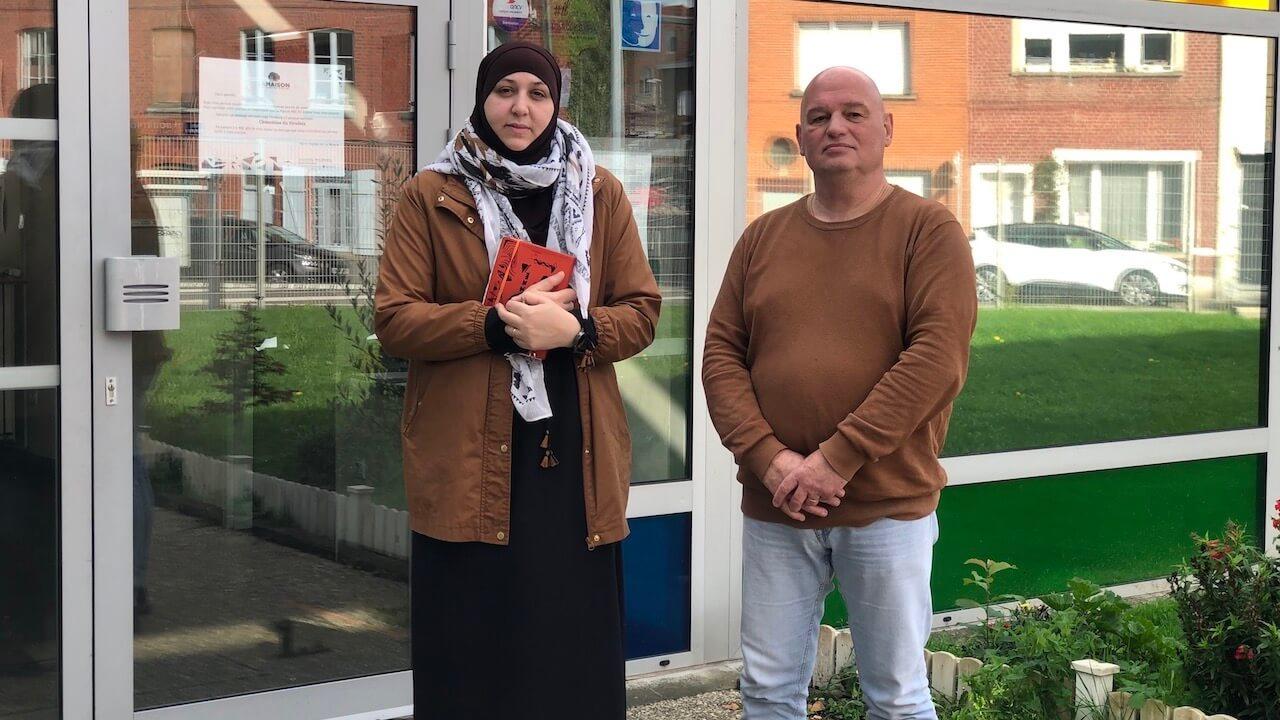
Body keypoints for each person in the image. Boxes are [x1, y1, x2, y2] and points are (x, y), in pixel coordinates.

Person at [374, 42, 660, 720]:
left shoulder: (599, 191)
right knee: (470, 648)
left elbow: (642, 311)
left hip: (574, 453)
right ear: (482, 99)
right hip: (467, 455)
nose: (521, 106)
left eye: (537, 91)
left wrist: (581, 333)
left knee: (570, 644)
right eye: (506, 91)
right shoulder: (432, 195)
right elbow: (394, 319)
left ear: (555, 102)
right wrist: (493, 328)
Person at [702, 66, 977, 720]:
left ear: (886, 128)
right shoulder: (762, 239)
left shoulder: (927, 232)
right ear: (800, 137)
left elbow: (936, 358)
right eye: (820, 117)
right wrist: (771, 461)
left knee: (897, 696)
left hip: (886, 506)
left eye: (854, 114)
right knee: (768, 691)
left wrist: (835, 460)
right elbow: (719, 356)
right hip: (777, 508)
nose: (836, 127)